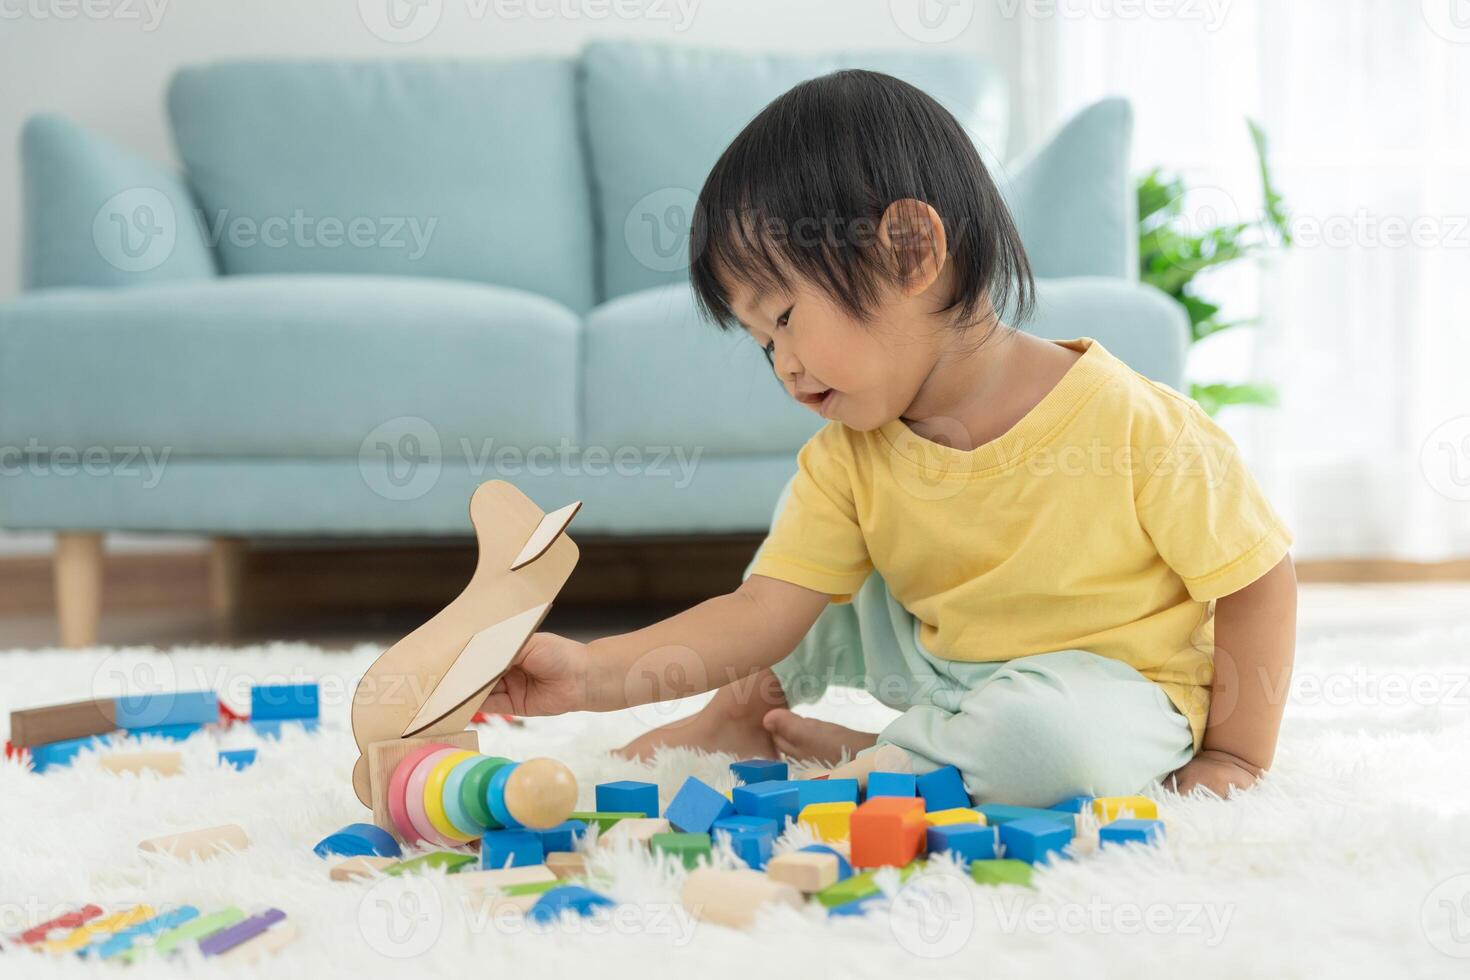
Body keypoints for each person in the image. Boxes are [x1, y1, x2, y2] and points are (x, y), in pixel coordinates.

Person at [481, 69, 1296, 805]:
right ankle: (746, 712)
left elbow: (1256, 579)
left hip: (1113, 688)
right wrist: (591, 674)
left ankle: (888, 756)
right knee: (804, 595)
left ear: (912, 251)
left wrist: (1237, 755)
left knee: (1040, 750)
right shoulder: (850, 454)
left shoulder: (1133, 423)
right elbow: (759, 614)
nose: (785, 367)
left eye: (787, 319)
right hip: (944, 666)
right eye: (764, 343)